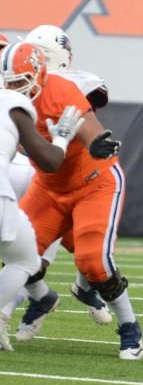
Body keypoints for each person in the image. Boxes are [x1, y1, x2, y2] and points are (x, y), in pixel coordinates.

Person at [2, 42, 143, 360]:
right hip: (48, 187)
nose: (14, 89)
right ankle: (37, 300)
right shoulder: (9, 101)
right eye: (8, 82)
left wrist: (96, 143)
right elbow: (47, 161)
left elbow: (92, 126)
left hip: (94, 184)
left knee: (94, 263)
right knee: (15, 253)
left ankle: (130, 328)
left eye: (20, 81)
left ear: (40, 75)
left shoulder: (60, 91)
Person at [22, 25, 111, 324]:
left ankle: (79, 291)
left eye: (39, 56)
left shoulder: (70, 85)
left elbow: (89, 111)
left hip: (76, 180)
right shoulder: (14, 85)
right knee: (23, 254)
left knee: (92, 259)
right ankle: (38, 300)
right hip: (42, 179)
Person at [0, 43, 83, 349]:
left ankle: (41, 299)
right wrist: (61, 137)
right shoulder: (15, 104)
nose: (13, 88)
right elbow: (50, 161)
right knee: (24, 261)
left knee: (24, 257)